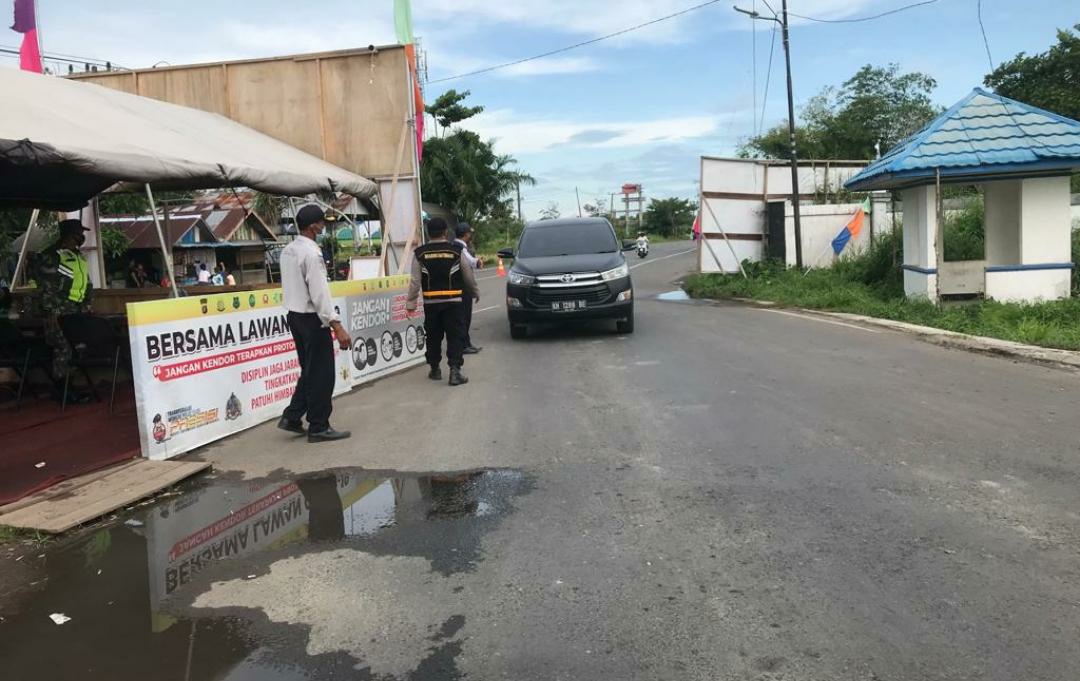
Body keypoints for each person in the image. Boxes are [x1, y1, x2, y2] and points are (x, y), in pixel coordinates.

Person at [278, 204, 352, 442]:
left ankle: (292, 416)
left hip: (295, 316)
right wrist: (336, 325)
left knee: (310, 370)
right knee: (321, 374)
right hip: (312, 318)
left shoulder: (288, 250)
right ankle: (318, 426)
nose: (324, 226)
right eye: (322, 223)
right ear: (313, 226)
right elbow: (320, 293)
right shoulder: (311, 253)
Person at [406, 217, 478, 387]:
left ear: (428, 233)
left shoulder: (419, 253)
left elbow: (415, 282)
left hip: (431, 304)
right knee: (455, 336)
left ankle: (435, 368)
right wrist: (475, 291)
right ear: (446, 232)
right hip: (454, 303)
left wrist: (410, 304)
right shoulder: (456, 251)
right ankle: (455, 371)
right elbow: (467, 274)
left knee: (433, 336)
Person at [30, 219, 94, 403]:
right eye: (78, 233)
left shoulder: (77, 256)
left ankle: (70, 387)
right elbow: (46, 288)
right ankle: (63, 390)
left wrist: (86, 304)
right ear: (69, 234)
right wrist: (55, 311)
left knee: (75, 349)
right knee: (62, 349)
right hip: (58, 312)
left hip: (76, 311)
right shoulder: (51, 256)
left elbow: (86, 283)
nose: (81, 237)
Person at [453, 222, 483, 355]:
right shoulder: (460, 248)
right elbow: (469, 264)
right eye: (469, 233)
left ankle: (466, 343)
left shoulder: (455, 246)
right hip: (463, 287)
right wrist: (474, 291)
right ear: (466, 235)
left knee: (462, 318)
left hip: (455, 287)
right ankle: (463, 345)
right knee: (464, 317)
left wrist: (476, 261)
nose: (471, 235)